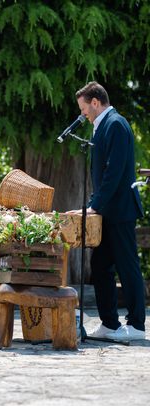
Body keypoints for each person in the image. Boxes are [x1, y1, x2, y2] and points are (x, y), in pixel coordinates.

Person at [67, 81, 146, 341]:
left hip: (120, 210)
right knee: (100, 266)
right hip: (107, 211)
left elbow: (114, 172)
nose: (82, 115)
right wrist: (95, 204)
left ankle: (135, 326)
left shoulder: (116, 124)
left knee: (127, 266)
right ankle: (110, 324)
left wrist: (94, 206)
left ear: (96, 102)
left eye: (84, 108)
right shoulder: (102, 125)